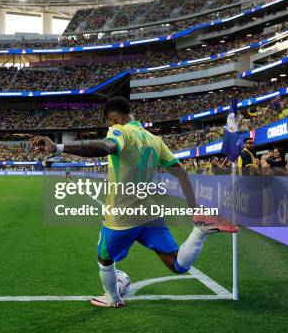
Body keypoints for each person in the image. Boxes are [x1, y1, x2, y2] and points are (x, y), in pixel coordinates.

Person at [31, 97, 237, 308]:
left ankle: (113, 298)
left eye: (109, 124)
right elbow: (182, 175)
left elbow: (106, 147)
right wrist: (195, 211)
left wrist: (58, 147)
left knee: (105, 258)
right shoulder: (154, 139)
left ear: (113, 119)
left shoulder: (120, 131)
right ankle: (199, 231)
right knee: (177, 265)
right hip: (150, 214)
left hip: (121, 216)